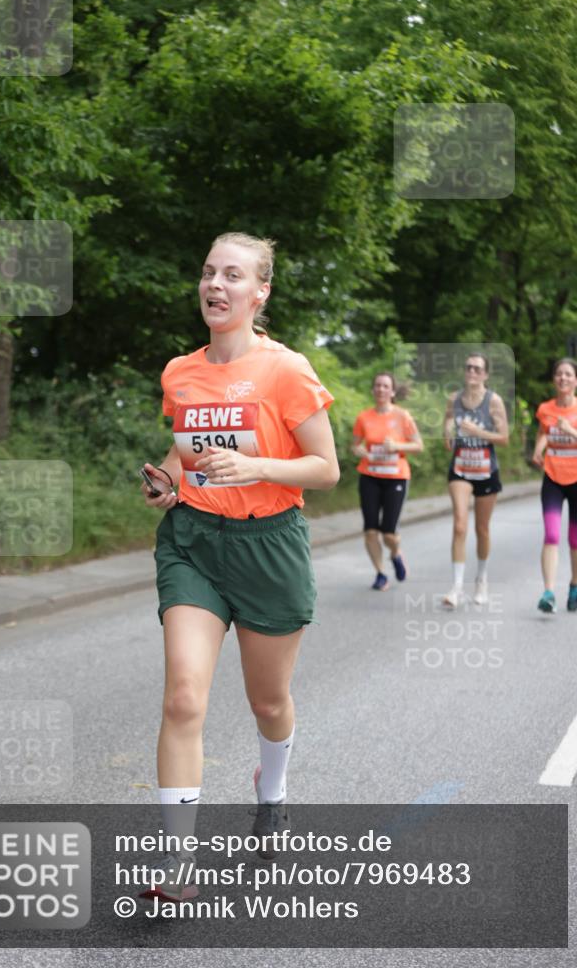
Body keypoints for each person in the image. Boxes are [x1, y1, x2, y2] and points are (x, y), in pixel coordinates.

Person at [139, 232, 339, 900]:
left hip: (269, 546)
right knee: (182, 696)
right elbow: (186, 451)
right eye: (208, 273)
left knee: (268, 702)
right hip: (193, 542)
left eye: (232, 275)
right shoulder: (180, 371)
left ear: (259, 293)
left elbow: (326, 468)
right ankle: (177, 865)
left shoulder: (286, 370)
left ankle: (271, 790)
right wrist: (168, 481)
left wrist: (257, 467)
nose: (215, 285)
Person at [442, 353, 509, 608]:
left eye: (477, 369)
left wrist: (477, 431)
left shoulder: (494, 401)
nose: (472, 371)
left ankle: (481, 579)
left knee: (482, 529)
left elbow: (504, 438)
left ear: (485, 374)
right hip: (460, 468)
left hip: (486, 470)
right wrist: (447, 430)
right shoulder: (454, 399)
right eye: (469, 367)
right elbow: (448, 428)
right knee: (460, 525)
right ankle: (457, 587)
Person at [351, 373, 423, 589]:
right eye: (377, 386)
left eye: (385, 386)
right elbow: (354, 445)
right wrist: (359, 450)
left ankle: (395, 553)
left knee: (389, 534)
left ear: (392, 392)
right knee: (370, 530)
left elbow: (418, 445)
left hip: (395, 477)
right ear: (373, 390)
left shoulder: (402, 416)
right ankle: (381, 573)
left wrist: (397, 446)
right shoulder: (364, 417)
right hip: (370, 476)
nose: (381, 389)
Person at [532, 358, 577, 613]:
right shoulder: (546, 409)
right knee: (552, 535)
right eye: (558, 374)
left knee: (575, 539)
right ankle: (549, 592)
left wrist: (571, 431)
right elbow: (544, 432)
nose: (563, 378)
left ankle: (575, 583)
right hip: (552, 478)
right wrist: (538, 449)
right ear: (554, 379)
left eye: (568, 374)